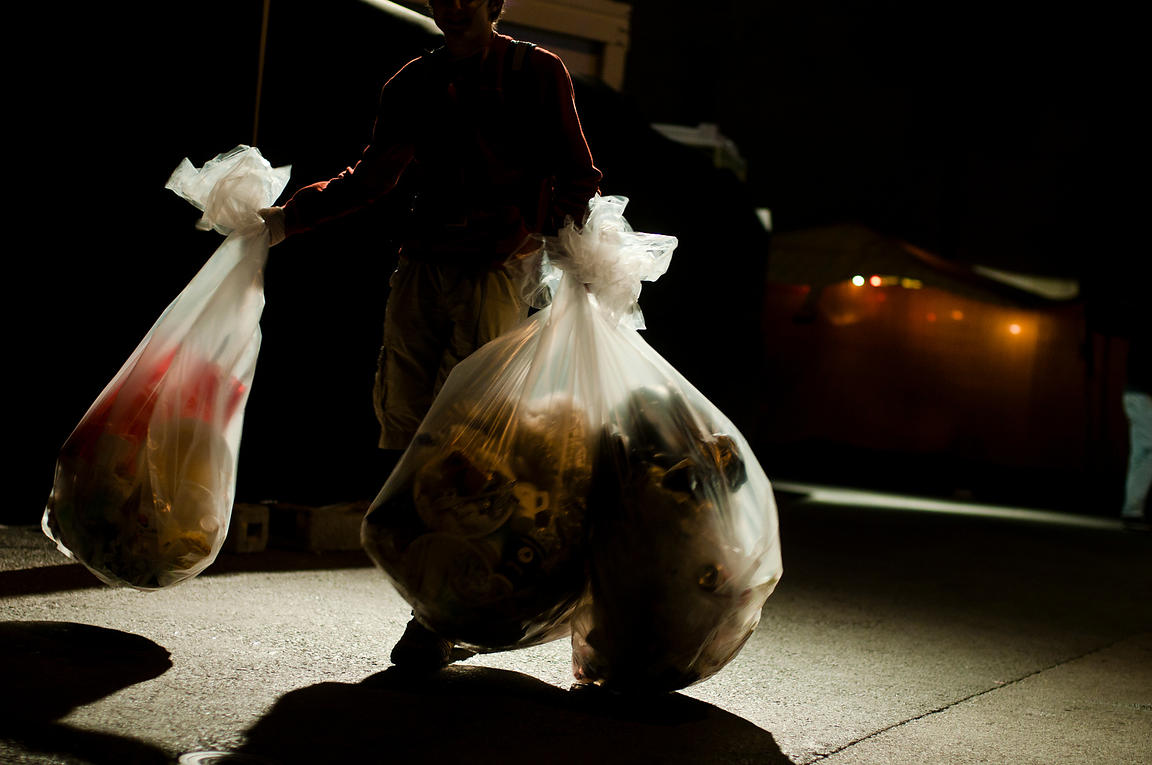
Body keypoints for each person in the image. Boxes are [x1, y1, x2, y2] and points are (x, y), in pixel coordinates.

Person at [259, 0, 601, 668]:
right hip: (423, 266)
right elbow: (373, 176)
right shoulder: (414, 82)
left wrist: (545, 241)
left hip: (496, 271)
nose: (455, 5)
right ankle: (440, 595)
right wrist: (285, 220)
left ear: (495, 1)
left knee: (474, 438)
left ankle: (438, 616)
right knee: (414, 432)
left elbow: (577, 174)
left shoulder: (535, 71)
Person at [1122, 326, 1151, 529]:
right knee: (1146, 451)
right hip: (1141, 396)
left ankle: (1132, 510)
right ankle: (1132, 510)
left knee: (1142, 453)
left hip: (1138, 396)